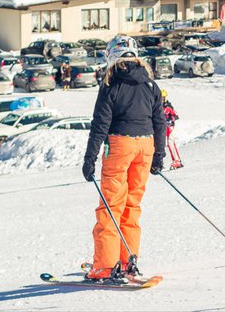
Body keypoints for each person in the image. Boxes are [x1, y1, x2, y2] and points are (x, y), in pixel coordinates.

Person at [81, 47, 167, 283]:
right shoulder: (150, 84)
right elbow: (160, 120)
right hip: (145, 146)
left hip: (120, 145)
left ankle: (106, 267)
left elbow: (100, 123)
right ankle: (128, 260)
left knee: (111, 206)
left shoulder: (111, 83)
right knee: (132, 205)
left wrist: (90, 157)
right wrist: (159, 153)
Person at [161, 89, 183, 170]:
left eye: (163, 98)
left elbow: (176, 115)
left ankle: (177, 160)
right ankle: (159, 162)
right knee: (159, 144)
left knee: (170, 141)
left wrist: (170, 119)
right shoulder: (156, 106)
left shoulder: (168, 107)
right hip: (160, 127)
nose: (161, 100)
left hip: (169, 126)